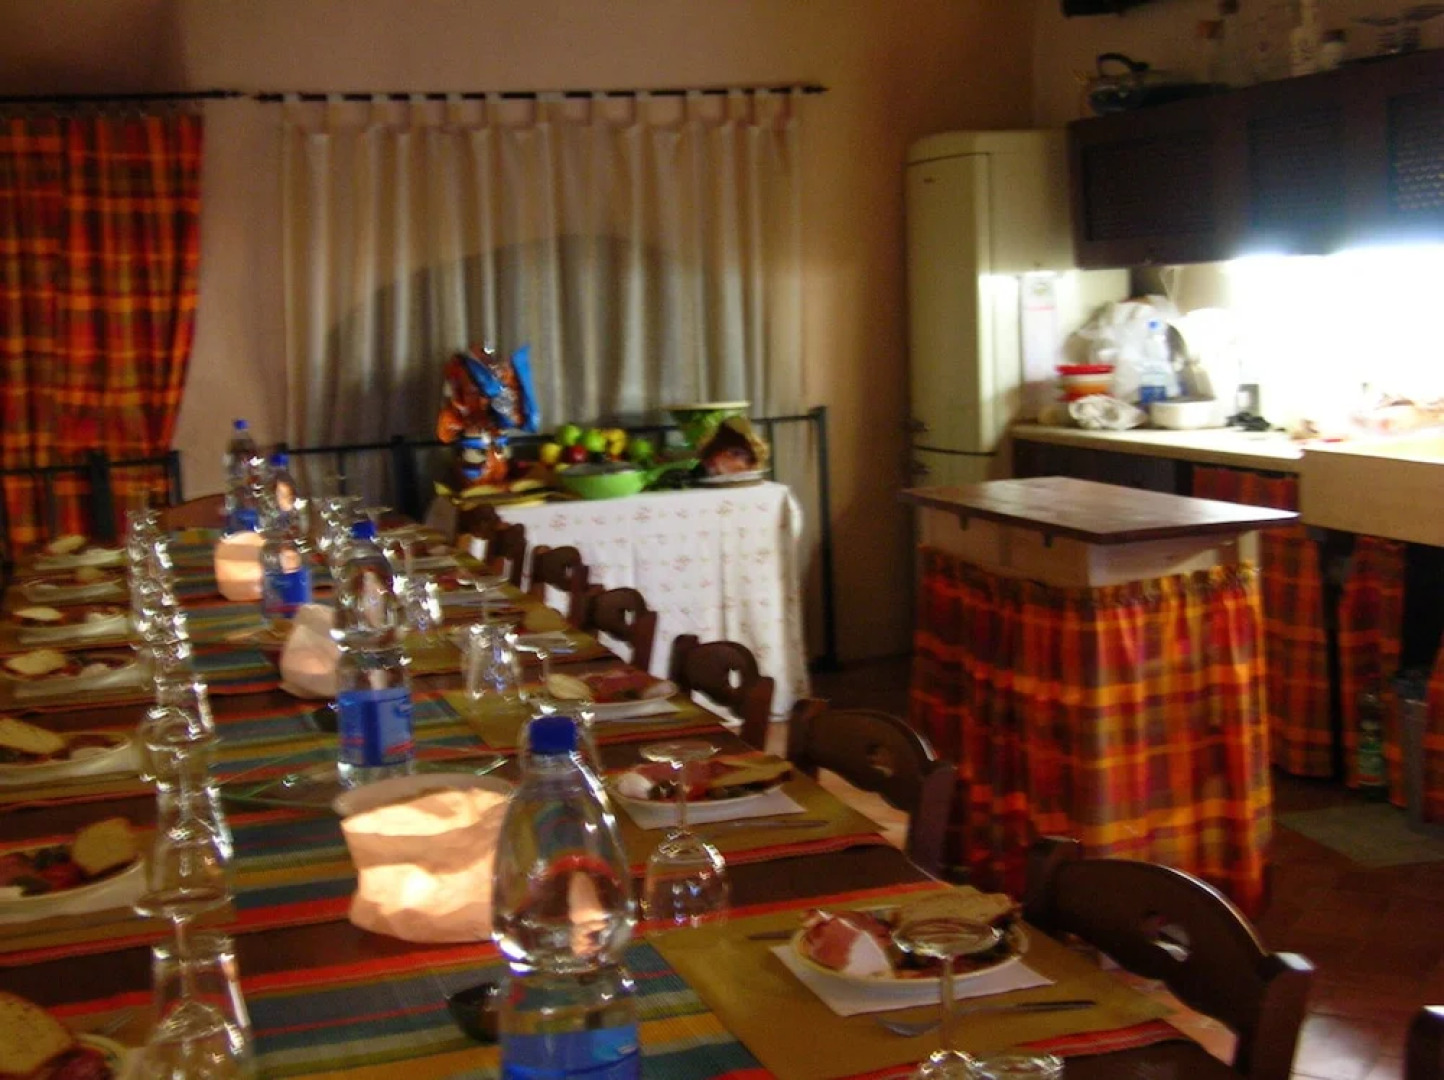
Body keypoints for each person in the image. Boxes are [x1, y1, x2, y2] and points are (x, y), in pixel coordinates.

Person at [435, 344, 540, 487]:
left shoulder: (504, 410)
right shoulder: (458, 409)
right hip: (475, 478)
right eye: (473, 393)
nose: (482, 400)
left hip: (500, 474)